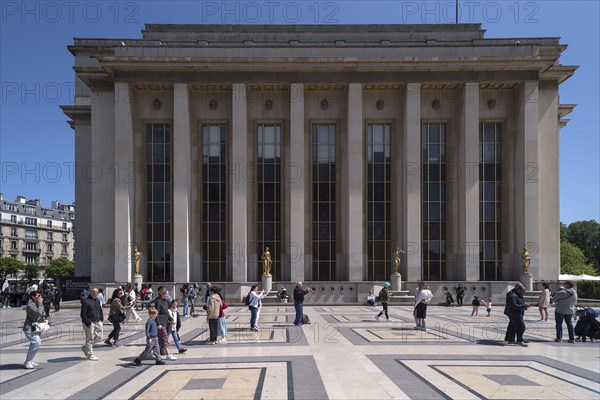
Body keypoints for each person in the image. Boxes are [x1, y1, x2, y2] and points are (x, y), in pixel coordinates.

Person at [23, 290, 46, 369]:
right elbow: (38, 313)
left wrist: (40, 304)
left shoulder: (38, 304)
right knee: (36, 343)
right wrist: (40, 303)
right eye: (38, 296)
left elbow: (43, 313)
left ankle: (29, 360)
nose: (40, 297)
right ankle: (28, 361)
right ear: (33, 296)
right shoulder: (30, 305)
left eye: (40, 295)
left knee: (35, 343)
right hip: (29, 328)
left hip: (37, 327)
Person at [503, 282, 530, 346]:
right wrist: (524, 306)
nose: (523, 293)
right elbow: (513, 305)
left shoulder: (516, 294)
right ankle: (519, 340)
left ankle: (510, 339)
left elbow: (519, 302)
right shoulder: (512, 295)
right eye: (522, 291)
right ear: (518, 289)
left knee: (513, 326)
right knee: (521, 326)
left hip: (516, 313)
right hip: (514, 313)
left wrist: (523, 306)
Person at [80, 287, 104, 360]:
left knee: (100, 337)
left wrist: (101, 319)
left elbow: (100, 310)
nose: (94, 294)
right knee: (89, 339)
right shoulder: (86, 301)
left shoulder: (97, 300)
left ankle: (86, 348)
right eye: (93, 292)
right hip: (89, 322)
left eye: (96, 293)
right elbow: (82, 314)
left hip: (97, 321)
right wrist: (88, 323)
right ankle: (90, 355)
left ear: (97, 293)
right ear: (90, 293)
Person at [155, 288, 177, 360]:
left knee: (158, 340)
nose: (167, 296)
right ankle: (168, 355)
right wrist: (158, 324)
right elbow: (156, 313)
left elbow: (167, 312)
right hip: (161, 323)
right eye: (166, 294)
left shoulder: (166, 302)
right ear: (162, 294)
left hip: (165, 322)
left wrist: (171, 319)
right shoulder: (158, 302)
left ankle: (150, 353)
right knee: (164, 338)